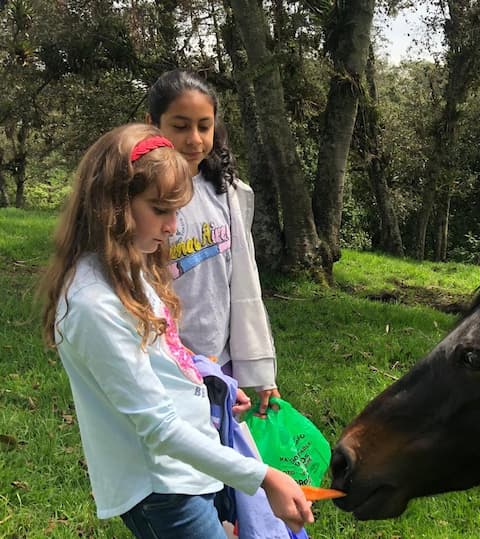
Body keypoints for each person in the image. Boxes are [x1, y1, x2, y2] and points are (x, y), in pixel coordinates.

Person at [40, 123, 314, 539]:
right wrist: (264, 478)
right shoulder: (92, 304)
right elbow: (158, 428)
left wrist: (207, 373)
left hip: (193, 466)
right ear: (112, 205)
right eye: (160, 210)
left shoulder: (130, 267)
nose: (172, 226)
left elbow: (160, 351)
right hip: (162, 488)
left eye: (177, 210)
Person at [146, 70, 280, 416]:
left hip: (221, 362)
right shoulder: (143, 203)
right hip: (168, 364)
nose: (194, 139)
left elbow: (244, 283)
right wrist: (187, 363)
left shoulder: (226, 192)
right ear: (152, 124)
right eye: (180, 126)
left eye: (203, 126)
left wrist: (261, 372)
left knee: (222, 456)